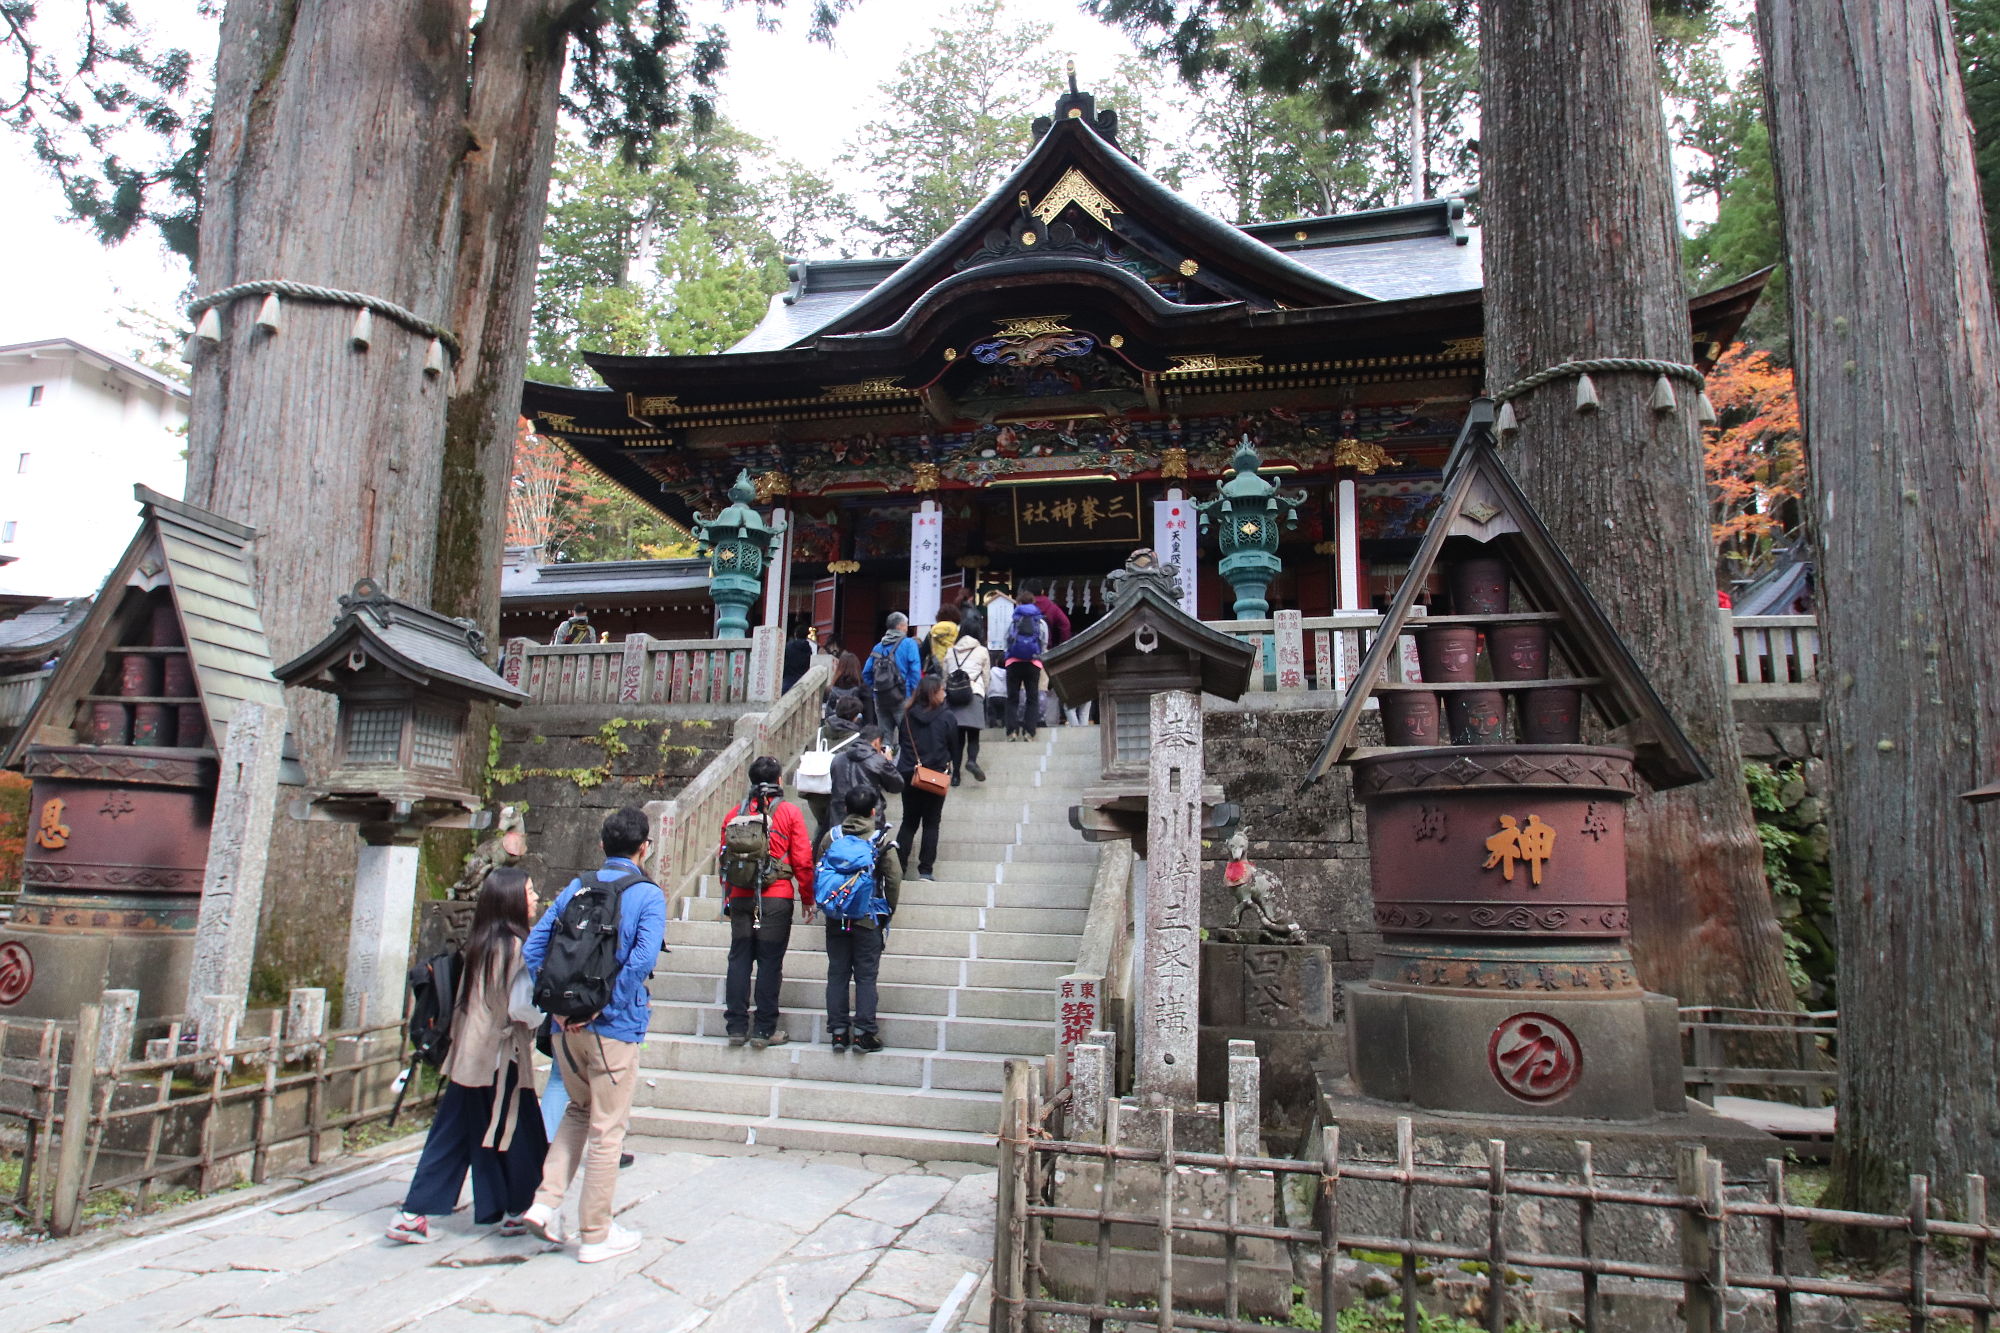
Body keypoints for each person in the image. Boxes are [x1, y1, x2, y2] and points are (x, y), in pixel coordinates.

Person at [519, 809, 664, 1264]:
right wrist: (601, 1004)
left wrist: (560, 1006)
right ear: (645, 848)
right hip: (612, 1027)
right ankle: (596, 1233)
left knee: (578, 1113)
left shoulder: (575, 886)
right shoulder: (647, 895)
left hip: (565, 1029)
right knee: (607, 1129)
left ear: (601, 846)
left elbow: (533, 948)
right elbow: (640, 960)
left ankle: (545, 1202)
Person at [386, 869, 548, 1245]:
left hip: (472, 1054)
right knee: (507, 1133)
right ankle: (418, 1212)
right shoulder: (513, 948)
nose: (535, 897)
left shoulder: (482, 941)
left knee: (474, 1132)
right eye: (528, 891)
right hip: (496, 1059)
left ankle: (511, 1208)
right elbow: (523, 1008)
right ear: (510, 900)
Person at [716, 756, 815, 1048]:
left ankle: (735, 1026)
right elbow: (802, 860)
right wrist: (807, 897)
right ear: (779, 781)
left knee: (739, 959)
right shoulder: (789, 813)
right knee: (770, 963)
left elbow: (723, 860)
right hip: (775, 901)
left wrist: (727, 897)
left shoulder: (734, 814)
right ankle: (763, 1030)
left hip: (742, 899)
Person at [816, 786, 903, 1053]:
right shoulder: (880, 839)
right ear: (874, 811)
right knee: (866, 975)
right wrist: (888, 909)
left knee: (838, 972)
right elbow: (894, 877)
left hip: (837, 915)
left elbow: (819, 869)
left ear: (846, 809)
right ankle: (864, 1033)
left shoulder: (832, 837)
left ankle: (839, 1033)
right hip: (867, 917)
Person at [896, 675, 957, 880]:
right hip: (935, 776)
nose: (944, 693)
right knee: (931, 823)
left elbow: (902, 741)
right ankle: (925, 870)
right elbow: (953, 745)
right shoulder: (947, 716)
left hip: (910, 773)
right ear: (934, 692)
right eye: (942, 689)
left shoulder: (906, 715)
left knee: (908, 822)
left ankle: (899, 867)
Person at [804, 694, 866, 836]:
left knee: (821, 826)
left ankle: (816, 855)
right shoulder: (857, 740)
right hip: (839, 792)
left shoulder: (819, 733)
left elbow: (807, 752)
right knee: (838, 829)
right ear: (856, 717)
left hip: (815, 788)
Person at [829, 723, 904, 829]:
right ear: (877, 742)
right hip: (869, 818)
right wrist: (889, 764)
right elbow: (897, 785)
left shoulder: (837, 759)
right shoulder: (878, 761)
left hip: (839, 817)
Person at [940, 625, 989, 785]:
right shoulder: (982, 651)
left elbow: (944, 675)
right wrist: (983, 690)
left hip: (953, 696)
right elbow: (986, 675)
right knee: (973, 735)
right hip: (973, 692)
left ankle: (955, 776)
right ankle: (972, 761)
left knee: (957, 739)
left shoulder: (950, 651)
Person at [1002, 597, 1050, 740]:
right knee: (1032, 698)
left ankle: (1012, 731)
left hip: (1013, 662)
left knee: (1012, 698)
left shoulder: (1014, 621)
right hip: (1033, 663)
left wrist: (1008, 655)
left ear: (1019, 604)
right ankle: (1029, 732)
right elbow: (1044, 643)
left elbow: (1006, 640)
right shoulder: (1040, 622)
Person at [868, 613, 922, 732]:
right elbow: (915, 671)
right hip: (903, 695)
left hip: (880, 697)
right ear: (900, 626)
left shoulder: (877, 647)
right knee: (907, 735)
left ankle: (886, 749)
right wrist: (915, 694)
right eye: (906, 625)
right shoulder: (909, 644)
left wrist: (876, 688)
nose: (907, 628)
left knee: (885, 738)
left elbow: (866, 672)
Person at [1022, 579, 1073, 647]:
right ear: (1042, 591)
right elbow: (1065, 624)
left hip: (1023, 648)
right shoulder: (1052, 607)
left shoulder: (1022, 607)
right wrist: (1064, 645)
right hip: (1045, 647)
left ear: (1026, 593)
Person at [826, 650, 868, 726]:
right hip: (855, 730)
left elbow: (827, 713)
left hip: (833, 726)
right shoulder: (862, 690)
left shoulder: (830, 690)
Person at [925, 603, 960, 674]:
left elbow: (922, 653)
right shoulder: (959, 632)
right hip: (955, 669)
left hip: (935, 671)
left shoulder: (932, 632)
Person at [782, 622, 814, 694]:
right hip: (803, 679)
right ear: (806, 636)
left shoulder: (788, 646)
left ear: (795, 634)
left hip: (788, 679)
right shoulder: (809, 649)